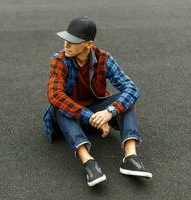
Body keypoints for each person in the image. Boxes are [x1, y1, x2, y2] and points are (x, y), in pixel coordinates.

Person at [43, 16, 152, 187]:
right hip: (72, 118)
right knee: (60, 107)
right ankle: (89, 163)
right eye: (66, 40)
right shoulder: (60, 60)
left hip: (96, 113)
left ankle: (130, 157)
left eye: (73, 41)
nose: (66, 45)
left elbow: (132, 89)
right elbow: (55, 95)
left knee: (125, 101)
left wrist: (109, 112)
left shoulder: (104, 58)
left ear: (88, 43)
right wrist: (91, 117)